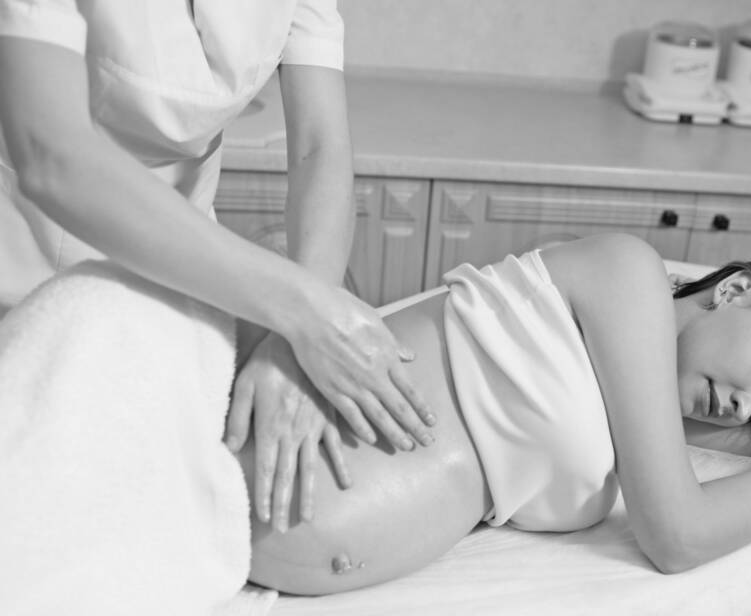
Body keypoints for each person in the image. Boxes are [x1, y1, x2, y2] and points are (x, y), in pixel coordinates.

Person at [233, 233, 751, 595]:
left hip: (236, 557)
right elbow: (679, 537)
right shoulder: (628, 273)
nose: (749, 405)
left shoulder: (650, 416)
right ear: (734, 288)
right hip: (220, 468)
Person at [0, 0, 435, 534]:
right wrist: (304, 311)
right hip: (23, 256)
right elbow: (52, 155)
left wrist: (298, 347)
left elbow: (319, 147)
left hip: (185, 272)